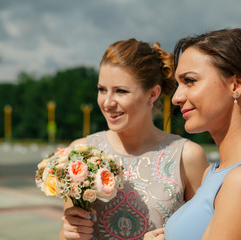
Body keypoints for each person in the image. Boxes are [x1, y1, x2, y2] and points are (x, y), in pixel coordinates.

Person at [146, 28, 241, 239]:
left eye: (190, 81)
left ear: (236, 85)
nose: (176, 97)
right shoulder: (213, 173)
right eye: (178, 84)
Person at [59, 38, 209, 240]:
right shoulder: (81, 153)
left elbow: (205, 233)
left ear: (152, 94)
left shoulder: (187, 156)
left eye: (121, 91)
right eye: (102, 89)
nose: (108, 102)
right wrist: (68, 233)